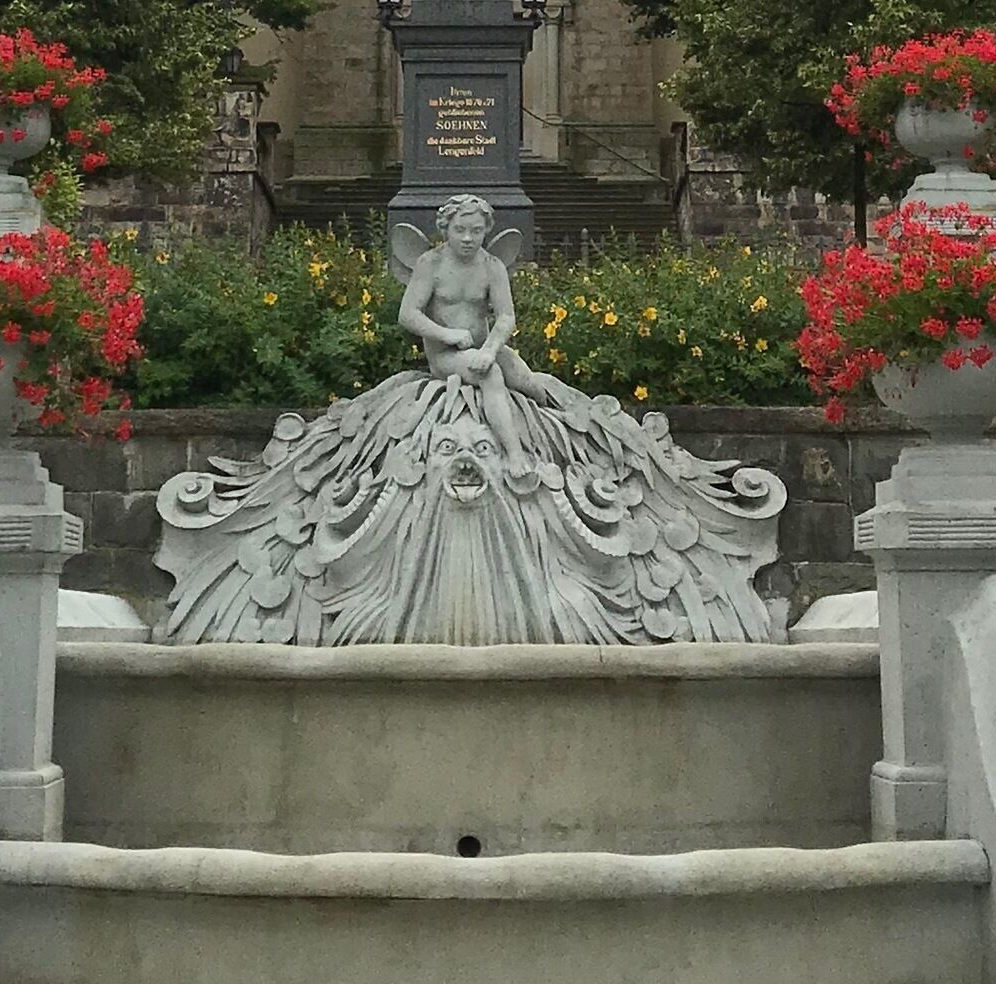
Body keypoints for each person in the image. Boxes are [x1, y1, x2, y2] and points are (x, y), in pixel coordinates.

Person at [158, 192, 783, 647]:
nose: (469, 237)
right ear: (446, 228)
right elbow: (407, 316)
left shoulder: (491, 266)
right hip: (446, 356)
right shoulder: (431, 265)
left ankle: (580, 431)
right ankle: (514, 455)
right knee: (488, 378)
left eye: (478, 229)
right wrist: (452, 337)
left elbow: (506, 317)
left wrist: (493, 344)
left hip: (485, 348)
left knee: (530, 382)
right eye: (461, 228)